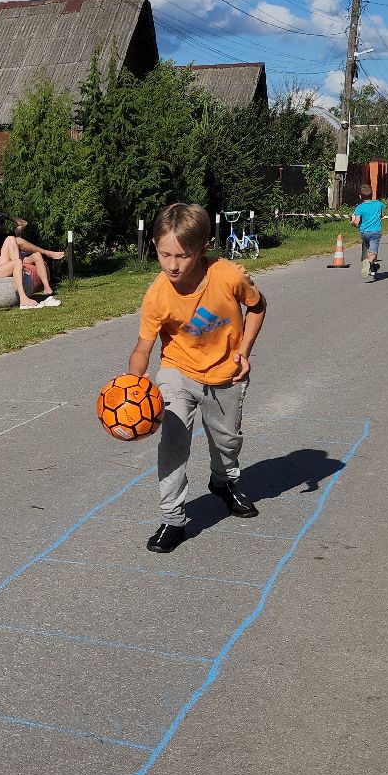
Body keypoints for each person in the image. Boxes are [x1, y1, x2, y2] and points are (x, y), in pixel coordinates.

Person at [126, 202, 266, 554]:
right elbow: (143, 347)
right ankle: (173, 519)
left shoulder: (228, 276)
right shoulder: (157, 294)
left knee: (227, 441)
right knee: (173, 443)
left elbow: (258, 306)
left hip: (226, 373)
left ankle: (224, 482)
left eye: (182, 256)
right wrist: (132, 381)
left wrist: (244, 351)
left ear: (203, 249)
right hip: (178, 371)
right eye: (164, 254)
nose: (172, 265)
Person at [350, 185, 385, 281]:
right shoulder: (378, 204)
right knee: (373, 251)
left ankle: (372, 265)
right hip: (375, 232)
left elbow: (356, 222)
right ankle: (368, 263)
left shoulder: (359, 207)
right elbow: (382, 215)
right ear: (372, 194)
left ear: (360, 196)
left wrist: (352, 222)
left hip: (364, 233)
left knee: (366, 249)